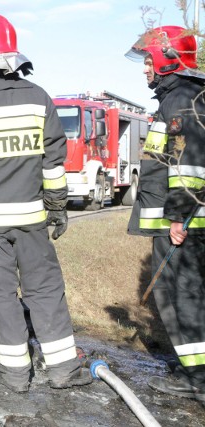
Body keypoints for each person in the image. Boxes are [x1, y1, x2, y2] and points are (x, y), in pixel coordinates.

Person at [0, 14, 92, 393]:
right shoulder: (39, 97)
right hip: (32, 220)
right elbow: (53, 162)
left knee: (2, 296)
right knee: (44, 291)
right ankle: (63, 371)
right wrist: (57, 206)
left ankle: (14, 376)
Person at [125, 25, 205, 402]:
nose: (144, 69)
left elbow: (189, 165)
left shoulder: (181, 101)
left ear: (166, 58)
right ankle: (191, 369)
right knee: (180, 298)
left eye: (147, 61)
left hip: (182, 224)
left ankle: (198, 378)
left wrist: (177, 217)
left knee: (182, 298)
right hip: (179, 221)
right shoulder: (179, 98)